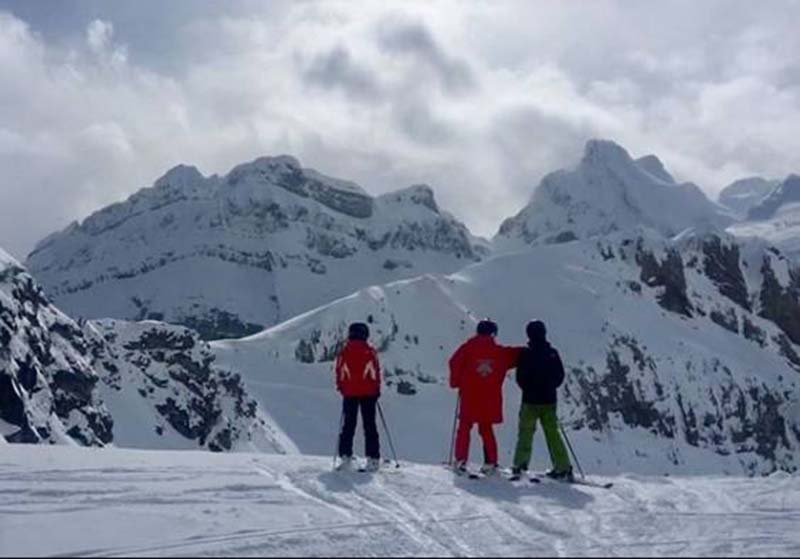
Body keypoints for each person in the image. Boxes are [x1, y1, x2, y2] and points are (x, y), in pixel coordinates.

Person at [449, 319, 523, 476]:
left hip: (469, 395)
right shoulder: (500, 352)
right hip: (490, 398)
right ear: (493, 333)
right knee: (486, 429)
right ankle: (491, 462)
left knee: (464, 428)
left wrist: (456, 382)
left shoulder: (467, 348)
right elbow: (518, 355)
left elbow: (454, 362)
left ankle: (461, 460)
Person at [511, 320, 573, 481]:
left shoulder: (526, 354)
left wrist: (529, 388)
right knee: (552, 434)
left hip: (529, 401)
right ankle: (563, 467)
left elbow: (520, 378)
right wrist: (549, 386)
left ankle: (520, 465)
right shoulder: (552, 353)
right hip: (549, 400)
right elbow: (559, 376)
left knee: (525, 433)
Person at [335, 322, 382, 472]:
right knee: (370, 426)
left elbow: (339, 373)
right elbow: (375, 373)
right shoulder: (370, 351)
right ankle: (373, 459)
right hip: (368, 393)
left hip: (349, 393)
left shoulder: (344, 351)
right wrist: (376, 390)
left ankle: (346, 457)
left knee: (348, 425)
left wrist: (342, 388)